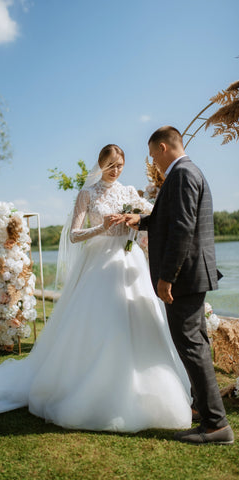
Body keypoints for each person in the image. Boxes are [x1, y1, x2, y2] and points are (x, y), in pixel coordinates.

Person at [0, 144, 192, 433]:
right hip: (99, 265)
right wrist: (102, 227)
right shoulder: (87, 194)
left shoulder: (129, 192)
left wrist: (135, 218)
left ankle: (149, 389)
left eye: (121, 165)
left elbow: (153, 215)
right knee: (101, 324)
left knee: (142, 318)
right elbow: (75, 235)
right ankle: (91, 386)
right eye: (112, 165)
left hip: (130, 263)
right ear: (100, 165)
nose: (117, 170)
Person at [115, 127, 234, 444]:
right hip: (194, 273)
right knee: (196, 344)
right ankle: (207, 415)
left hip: (185, 276)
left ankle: (216, 425)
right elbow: (170, 218)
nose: (153, 161)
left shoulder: (181, 175)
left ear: (164, 147)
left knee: (190, 346)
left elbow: (182, 230)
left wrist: (167, 278)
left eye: (153, 154)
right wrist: (139, 221)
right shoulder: (188, 172)